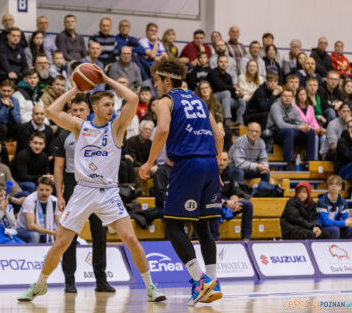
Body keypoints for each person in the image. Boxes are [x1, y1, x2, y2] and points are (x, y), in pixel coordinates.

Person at [17, 68, 166, 303]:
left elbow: (134, 99)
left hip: (108, 193)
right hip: (83, 191)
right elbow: (51, 111)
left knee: (130, 238)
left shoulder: (117, 128)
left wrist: (106, 80)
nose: (111, 109)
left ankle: (150, 286)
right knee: (61, 244)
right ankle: (40, 285)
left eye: (112, 105)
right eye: (106, 105)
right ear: (94, 108)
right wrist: (75, 89)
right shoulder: (80, 127)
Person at [139, 57, 223, 305]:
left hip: (188, 165)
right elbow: (219, 133)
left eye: (157, 81)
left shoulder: (165, 101)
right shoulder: (198, 99)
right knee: (203, 228)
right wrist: (217, 166)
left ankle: (200, 281)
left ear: (166, 80)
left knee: (173, 226)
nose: (155, 85)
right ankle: (213, 281)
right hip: (209, 164)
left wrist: (148, 162)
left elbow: (162, 130)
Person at [52, 95, 114, 293]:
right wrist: (60, 195)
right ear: (70, 113)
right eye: (74, 111)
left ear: (89, 111)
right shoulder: (63, 135)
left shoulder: (101, 132)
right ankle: (70, 281)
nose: (77, 114)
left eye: (81, 110)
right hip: (72, 184)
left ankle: (101, 281)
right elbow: (58, 168)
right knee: (69, 235)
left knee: (100, 236)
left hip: (97, 184)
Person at [266, 89, 316, 168]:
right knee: (289, 131)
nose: (287, 98)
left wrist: (305, 126)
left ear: (292, 98)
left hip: (291, 134)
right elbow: (280, 125)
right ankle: (287, 163)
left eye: (289, 96)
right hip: (276, 134)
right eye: (285, 96)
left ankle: (309, 163)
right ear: (281, 97)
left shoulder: (293, 107)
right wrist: (298, 127)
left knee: (311, 132)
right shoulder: (275, 106)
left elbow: (299, 122)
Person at [217, 151, 253, 240]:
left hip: (227, 207)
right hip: (213, 206)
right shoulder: (209, 173)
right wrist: (225, 203)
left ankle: (246, 238)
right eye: (220, 159)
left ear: (228, 161)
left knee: (247, 205)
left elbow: (233, 192)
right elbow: (208, 198)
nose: (221, 162)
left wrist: (234, 202)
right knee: (213, 208)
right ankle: (215, 239)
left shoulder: (229, 174)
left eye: (224, 160)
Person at [15, 176, 60, 244]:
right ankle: (32, 254)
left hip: (45, 229)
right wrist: (51, 232)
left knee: (61, 234)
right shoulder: (30, 200)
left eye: (47, 190)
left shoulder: (55, 201)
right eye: (41, 190)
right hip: (22, 229)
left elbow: (59, 223)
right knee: (35, 235)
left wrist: (58, 232)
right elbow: (31, 226)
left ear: (51, 190)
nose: (44, 192)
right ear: (37, 189)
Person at [207, 55, 246, 126]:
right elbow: (220, 86)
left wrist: (238, 95)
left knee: (242, 101)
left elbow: (232, 92)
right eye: (221, 62)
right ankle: (228, 120)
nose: (223, 64)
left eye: (225, 62)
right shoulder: (213, 72)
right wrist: (235, 88)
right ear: (217, 63)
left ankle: (241, 125)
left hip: (225, 100)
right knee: (226, 92)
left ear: (228, 64)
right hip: (213, 98)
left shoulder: (228, 76)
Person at [295, 88, 323, 160]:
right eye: (300, 94)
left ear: (307, 95)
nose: (302, 96)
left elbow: (313, 121)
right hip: (300, 131)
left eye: (304, 94)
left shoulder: (310, 107)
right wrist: (313, 129)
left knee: (321, 136)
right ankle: (313, 160)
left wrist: (317, 128)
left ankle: (317, 159)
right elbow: (297, 122)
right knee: (315, 137)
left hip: (310, 130)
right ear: (297, 96)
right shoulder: (294, 107)